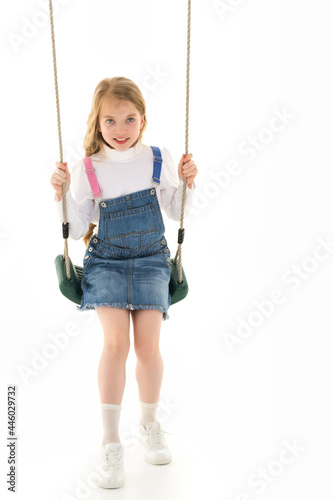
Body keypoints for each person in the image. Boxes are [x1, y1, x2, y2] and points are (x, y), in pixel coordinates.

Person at [50, 76, 198, 489]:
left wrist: (188, 182)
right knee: (117, 344)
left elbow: (174, 211)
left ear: (142, 119)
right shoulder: (88, 168)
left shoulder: (157, 158)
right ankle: (111, 441)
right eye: (110, 121)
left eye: (129, 119)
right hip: (107, 262)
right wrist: (60, 193)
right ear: (97, 124)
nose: (119, 130)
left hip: (152, 259)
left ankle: (149, 423)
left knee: (148, 346)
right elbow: (77, 224)